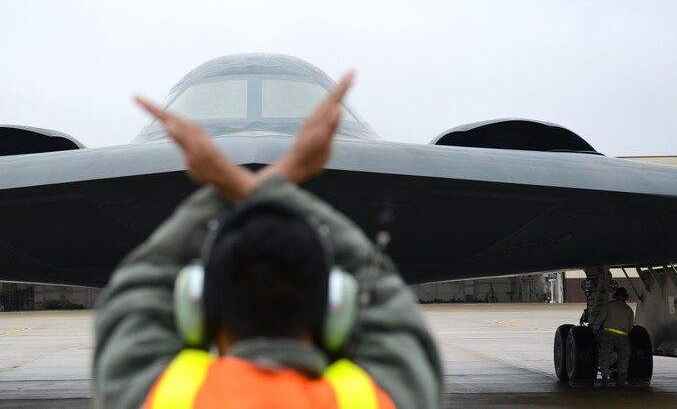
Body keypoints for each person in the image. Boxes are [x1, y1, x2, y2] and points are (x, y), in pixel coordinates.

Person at [93, 73, 442, 408]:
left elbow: (138, 287)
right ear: (336, 306)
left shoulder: (161, 398)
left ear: (197, 306)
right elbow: (387, 302)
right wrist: (276, 179)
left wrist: (228, 178)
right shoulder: (375, 400)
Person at [594, 287, 634, 387]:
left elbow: (599, 320)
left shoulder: (609, 305)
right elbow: (630, 328)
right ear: (626, 297)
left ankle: (604, 380)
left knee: (605, 355)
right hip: (622, 336)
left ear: (615, 296)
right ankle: (620, 381)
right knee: (624, 356)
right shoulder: (629, 310)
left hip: (608, 334)